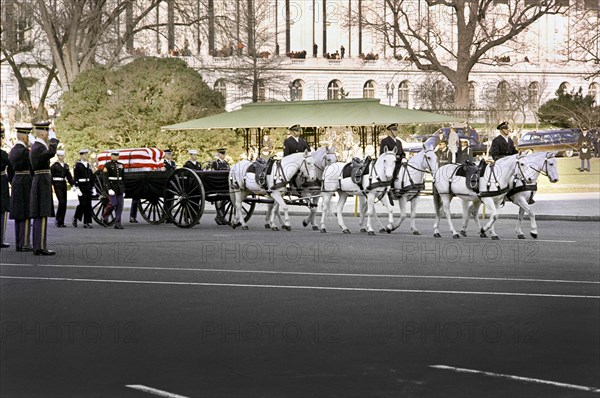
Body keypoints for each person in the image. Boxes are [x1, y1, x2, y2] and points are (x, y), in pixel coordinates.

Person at [29, 121, 59, 255]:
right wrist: (54, 140)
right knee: (41, 214)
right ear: (42, 133)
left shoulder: (38, 146)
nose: (48, 134)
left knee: (41, 215)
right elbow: (51, 153)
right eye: (47, 132)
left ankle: (39, 245)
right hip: (41, 181)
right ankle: (40, 247)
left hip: (41, 180)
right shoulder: (39, 147)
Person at [8, 126, 33, 252]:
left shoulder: (12, 151)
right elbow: (31, 166)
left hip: (16, 181)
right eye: (28, 136)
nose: (28, 138)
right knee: (26, 213)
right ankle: (25, 243)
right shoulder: (25, 151)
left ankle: (19, 242)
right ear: (24, 137)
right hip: (25, 181)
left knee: (18, 214)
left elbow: (10, 170)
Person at [51, 149, 74, 227]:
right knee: (62, 202)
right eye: (60, 155)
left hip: (63, 184)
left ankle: (61, 221)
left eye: (63, 155)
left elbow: (69, 177)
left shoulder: (66, 166)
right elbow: (51, 177)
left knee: (64, 203)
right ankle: (58, 219)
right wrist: (52, 186)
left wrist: (73, 185)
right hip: (57, 184)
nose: (62, 157)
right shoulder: (54, 166)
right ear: (58, 156)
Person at [102, 151, 126, 229]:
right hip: (112, 186)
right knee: (113, 203)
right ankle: (105, 216)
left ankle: (117, 223)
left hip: (119, 187)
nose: (116, 157)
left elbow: (123, 178)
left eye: (117, 155)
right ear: (111, 156)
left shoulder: (121, 165)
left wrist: (124, 189)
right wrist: (108, 189)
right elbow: (105, 178)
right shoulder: (107, 165)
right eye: (115, 155)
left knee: (120, 206)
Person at [72, 149, 94, 228]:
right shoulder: (77, 165)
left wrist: (93, 187)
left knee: (88, 204)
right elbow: (76, 177)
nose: (86, 156)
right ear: (81, 155)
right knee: (83, 203)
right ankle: (75, 217)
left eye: (87, 154)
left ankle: (87, 222)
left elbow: (91, 177)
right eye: (84, 154)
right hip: (81, 186)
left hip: (88, 185)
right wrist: (76, 187)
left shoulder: (88, 165)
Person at [1, 123, 12, 248]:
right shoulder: (3, 154)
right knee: (3, 211)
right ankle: (1, 239)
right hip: (1, 182)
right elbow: (12, 165)